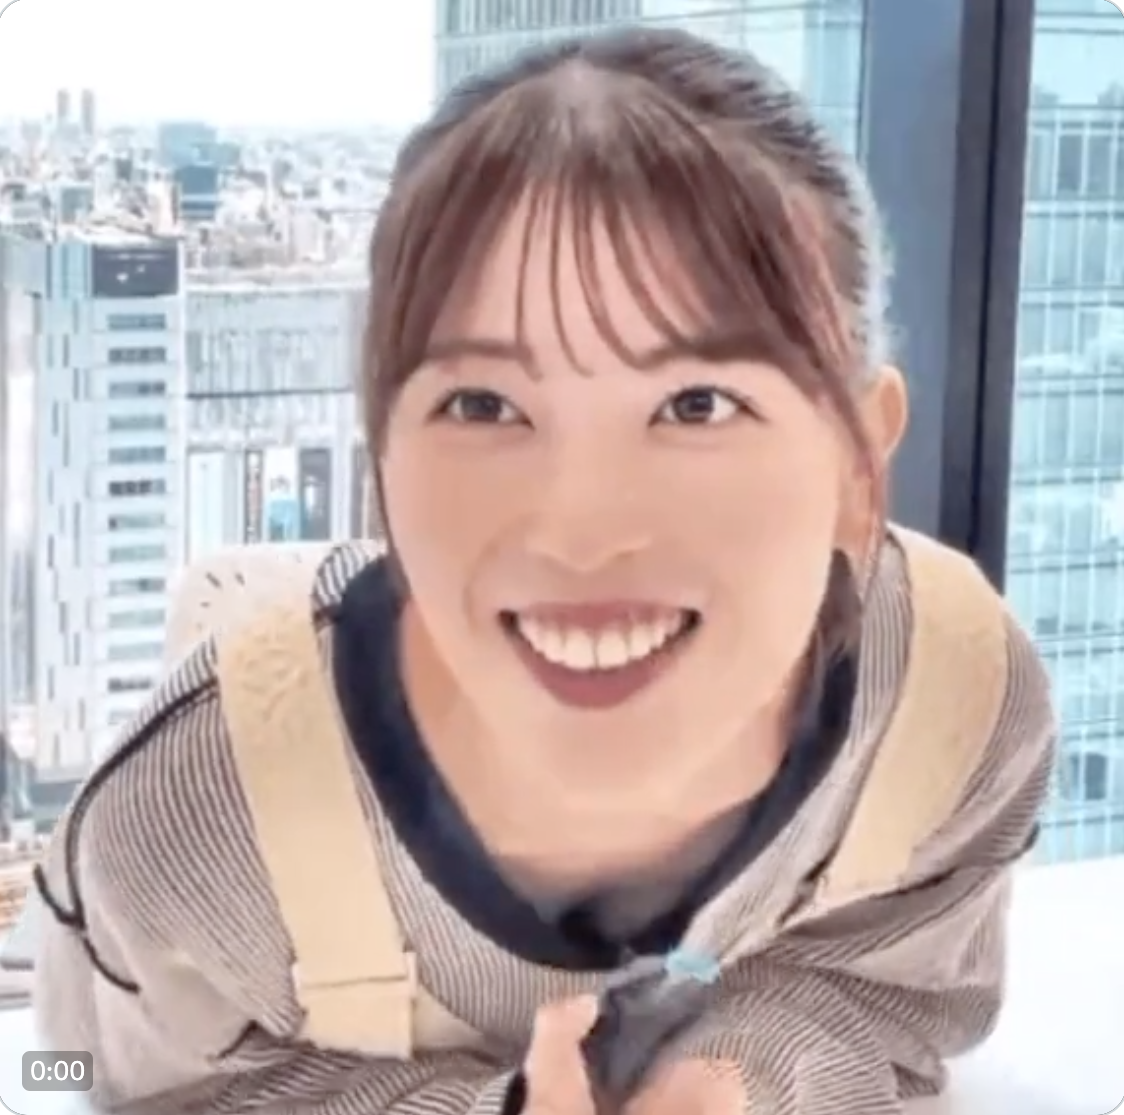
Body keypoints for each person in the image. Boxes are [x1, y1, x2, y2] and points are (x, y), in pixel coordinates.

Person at [33, 26, 1055, 1115]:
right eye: (483, 405)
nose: (582, 532)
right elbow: (91, 1081)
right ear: (381, 467)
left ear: (859, 463)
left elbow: (897, 989)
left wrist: (740, 1072)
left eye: (697, 404)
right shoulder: (193, 829)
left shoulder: (948, 709)